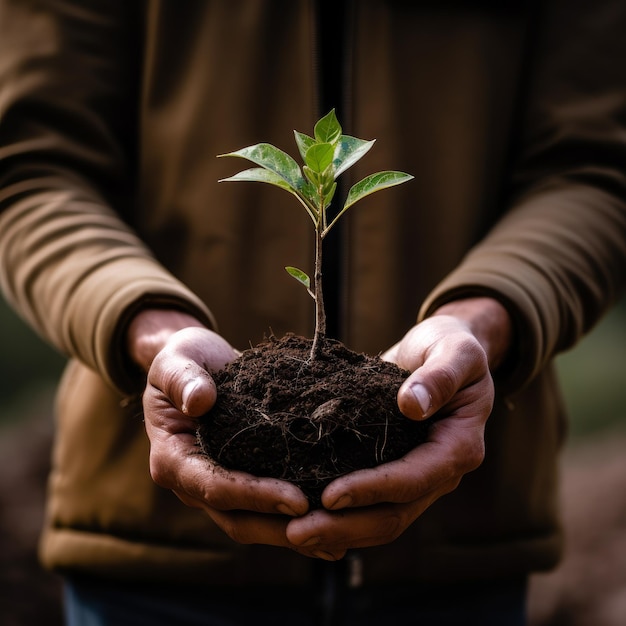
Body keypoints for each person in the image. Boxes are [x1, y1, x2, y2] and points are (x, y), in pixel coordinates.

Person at [1, 1, 625, 624]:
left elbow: (595, 165)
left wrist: (484, 320)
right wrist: (149, 328)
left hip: (455, 557)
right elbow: (29, 166)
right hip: (153, 563)